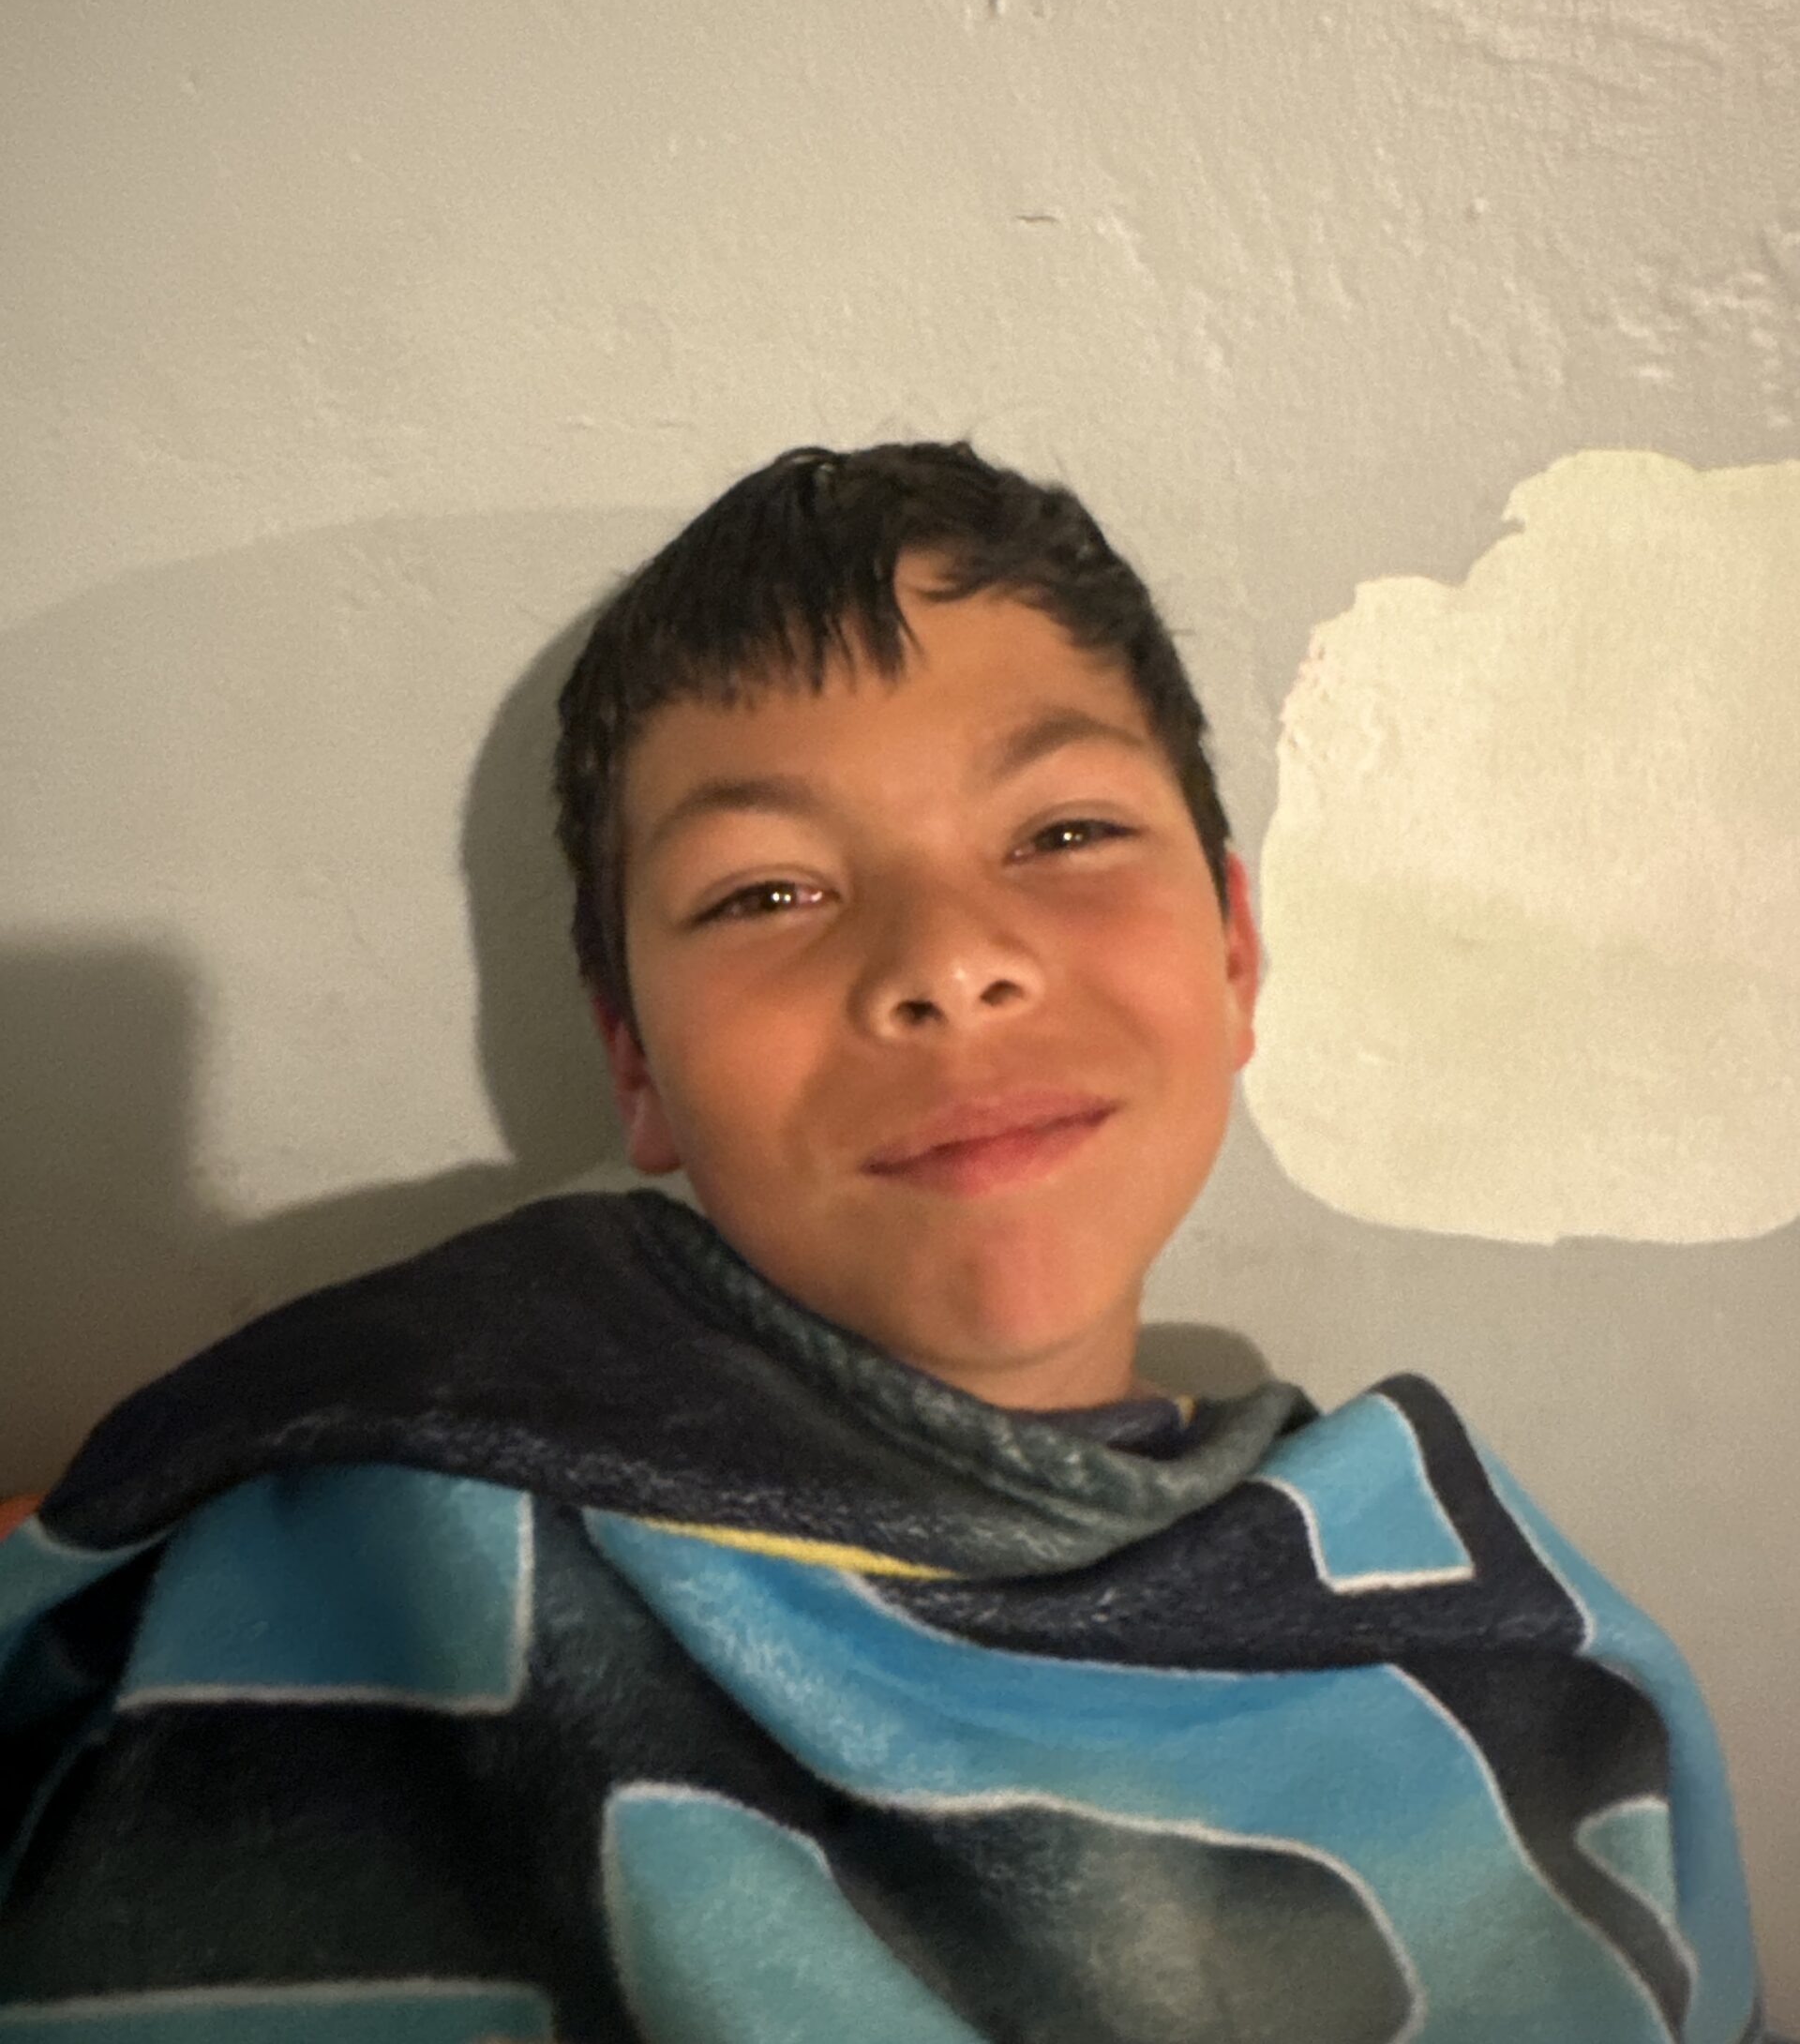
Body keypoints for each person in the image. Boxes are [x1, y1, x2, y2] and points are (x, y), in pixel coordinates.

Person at [0, 443, 1769, 2040]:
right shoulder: (374, 1536)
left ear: (1235, 954)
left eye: (1064, 832)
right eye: (768, 893)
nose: (947, 960)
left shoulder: (1529, 1650)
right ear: (638, 1065)